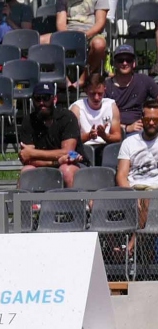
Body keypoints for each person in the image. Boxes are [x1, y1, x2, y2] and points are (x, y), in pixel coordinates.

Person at [18, 83, 83, 188]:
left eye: (46, 98)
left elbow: (68, 153)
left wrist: (33, 153)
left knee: (65, 170)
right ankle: (27, 205)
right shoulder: (28, 121)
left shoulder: (67, 117)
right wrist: (55, 161)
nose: (42, 103)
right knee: (27, 171)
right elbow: (27, 158)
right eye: (37, 99)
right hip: (47, 164)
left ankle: (77, 203)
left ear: (54, 99)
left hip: (74, 163)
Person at [38, 0, 108, 87]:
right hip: (69, 33)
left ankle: (84, 77)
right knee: (40, 41)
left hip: (92, 33)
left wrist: (84, 36)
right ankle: (63, 77)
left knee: (99, 45)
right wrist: (70, 38)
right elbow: (61, 24)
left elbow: (100, 23)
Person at [116, 99, 158, 229]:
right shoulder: (129, 142)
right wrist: (132, 195)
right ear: (142, 119)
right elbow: (121, 176)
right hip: (134, 188)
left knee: (147, 200)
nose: (151, 123)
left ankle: (133, 243)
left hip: (155, 190)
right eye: (147, 120)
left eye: (155, 120)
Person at [70, 72, 122, 166]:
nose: (96, 98)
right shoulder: (76, 109)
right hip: (83, 148)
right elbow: (70, 141)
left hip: (104, 147)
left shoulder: (111, 106)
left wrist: (105, 136)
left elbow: (118, 137)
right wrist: (88, 136)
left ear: (104, 89)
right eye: (92, 94)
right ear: (86, 91)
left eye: (100, 94)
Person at [105, 45, 158, 136]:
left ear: (134, 63)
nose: (124, 63)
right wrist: (126, 128)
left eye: (128, 59)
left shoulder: (144, 80)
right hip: (114, 131)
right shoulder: (106, 86)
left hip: (142, 129)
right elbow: (101, 117)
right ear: (114, 64)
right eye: (120, 60)